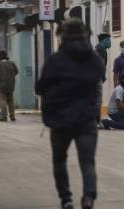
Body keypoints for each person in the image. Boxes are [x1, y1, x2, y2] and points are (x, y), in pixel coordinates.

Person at [35, 19, 105, 209]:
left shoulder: (55, 60)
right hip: (87, 120)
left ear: (62, 37)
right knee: (87, 161)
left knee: (59, 160)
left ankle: (66, 199)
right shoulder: (94, 59)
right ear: (85, 36)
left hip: (60, 120)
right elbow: (99, 77)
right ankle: (89, 197)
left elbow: (40, 87)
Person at [0, 50, 19, 122]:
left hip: (1, 85)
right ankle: (12, 116)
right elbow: (16, 71)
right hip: (11, 85)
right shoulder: (12, 63)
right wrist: (11, 76)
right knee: (10, 100)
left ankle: (4, 117)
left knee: (3, 100)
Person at [94, 33, 110, 124]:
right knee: (98, 100)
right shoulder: (101, 49)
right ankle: (96, 121)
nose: (109, 42)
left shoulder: (98, 48)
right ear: (103, 40)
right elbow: (101, 65)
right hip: (96, 78)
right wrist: (102, 77)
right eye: (108, 40)